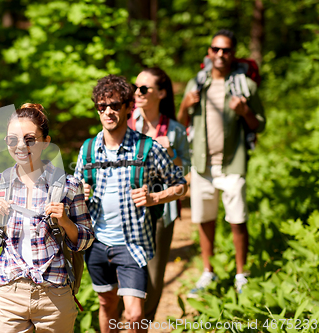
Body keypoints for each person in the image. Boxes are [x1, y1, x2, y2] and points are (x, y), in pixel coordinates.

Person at [74, 75, 187, 333]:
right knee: (106, 304)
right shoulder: (88, 149)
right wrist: (80, 192)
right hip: (98, 243)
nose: (108, 111)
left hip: (132, 243)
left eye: (114, 105)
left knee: (135, 314)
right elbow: (74, 190)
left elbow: (181, 185)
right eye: (102, 106)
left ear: (128, 108)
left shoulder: (147, 148)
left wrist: (155, 198)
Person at [0, 103, 95, 333]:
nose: (21, 146)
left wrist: (65, 221)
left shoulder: (68, 185)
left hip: (54, 294)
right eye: (12, 139)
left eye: (30, 139)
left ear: (45, 141)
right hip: (9, 293)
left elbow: (86, 239)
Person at [177, 29, 266, 295]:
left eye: (226, 50)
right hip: (202, 166)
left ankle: (241, 275)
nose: (220, 54)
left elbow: (259, 125)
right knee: (205, 220)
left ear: (233, 54)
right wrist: (184, 104)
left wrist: (245, 111)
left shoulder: (245, 87)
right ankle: (208, 273)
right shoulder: (198, 84)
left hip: (232, 164)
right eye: (216, 49)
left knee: (237, 220)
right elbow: (181, 125)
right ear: (209, 53)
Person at [129, 67, 190, 321]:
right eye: (136, 87)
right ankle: (122, 318)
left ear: (161, 93)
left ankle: (144, 322)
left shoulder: (174, 130)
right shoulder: (127, 122)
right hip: (126, 207)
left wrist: (171, 152)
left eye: (144, 89)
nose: (137, 92)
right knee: (123, 272)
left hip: (162, 209)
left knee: (154, 277)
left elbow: (185, 168)